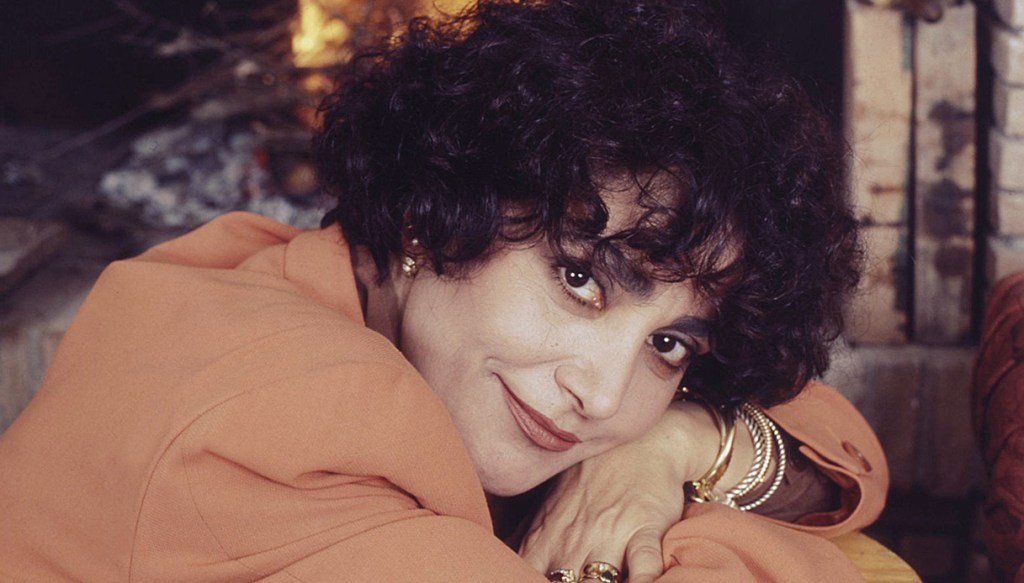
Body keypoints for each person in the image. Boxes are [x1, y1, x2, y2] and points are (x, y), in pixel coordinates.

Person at [0, 0, 886, 581]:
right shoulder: (273, 423)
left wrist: (673, 444)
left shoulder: (360, 300)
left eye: (670, 342)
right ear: (438, 213)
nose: (604, 393)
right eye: (580, 279)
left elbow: (844, 453)